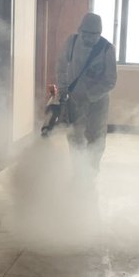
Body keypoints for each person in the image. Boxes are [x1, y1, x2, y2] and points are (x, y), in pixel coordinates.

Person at [55, 12, 117, 180]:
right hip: (74, 99)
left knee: (95, 137)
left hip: (98, 101)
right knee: (74, 137)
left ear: (99, 33)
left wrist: (89, 96)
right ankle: (78, 172)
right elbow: (61, 66)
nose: (89, 38)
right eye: (86, 34)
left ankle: (90, 174)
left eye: (93, 35)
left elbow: (110, 80)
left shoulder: (107, 49)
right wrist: (63, 89)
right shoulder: (72, 42)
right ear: (80, 30)